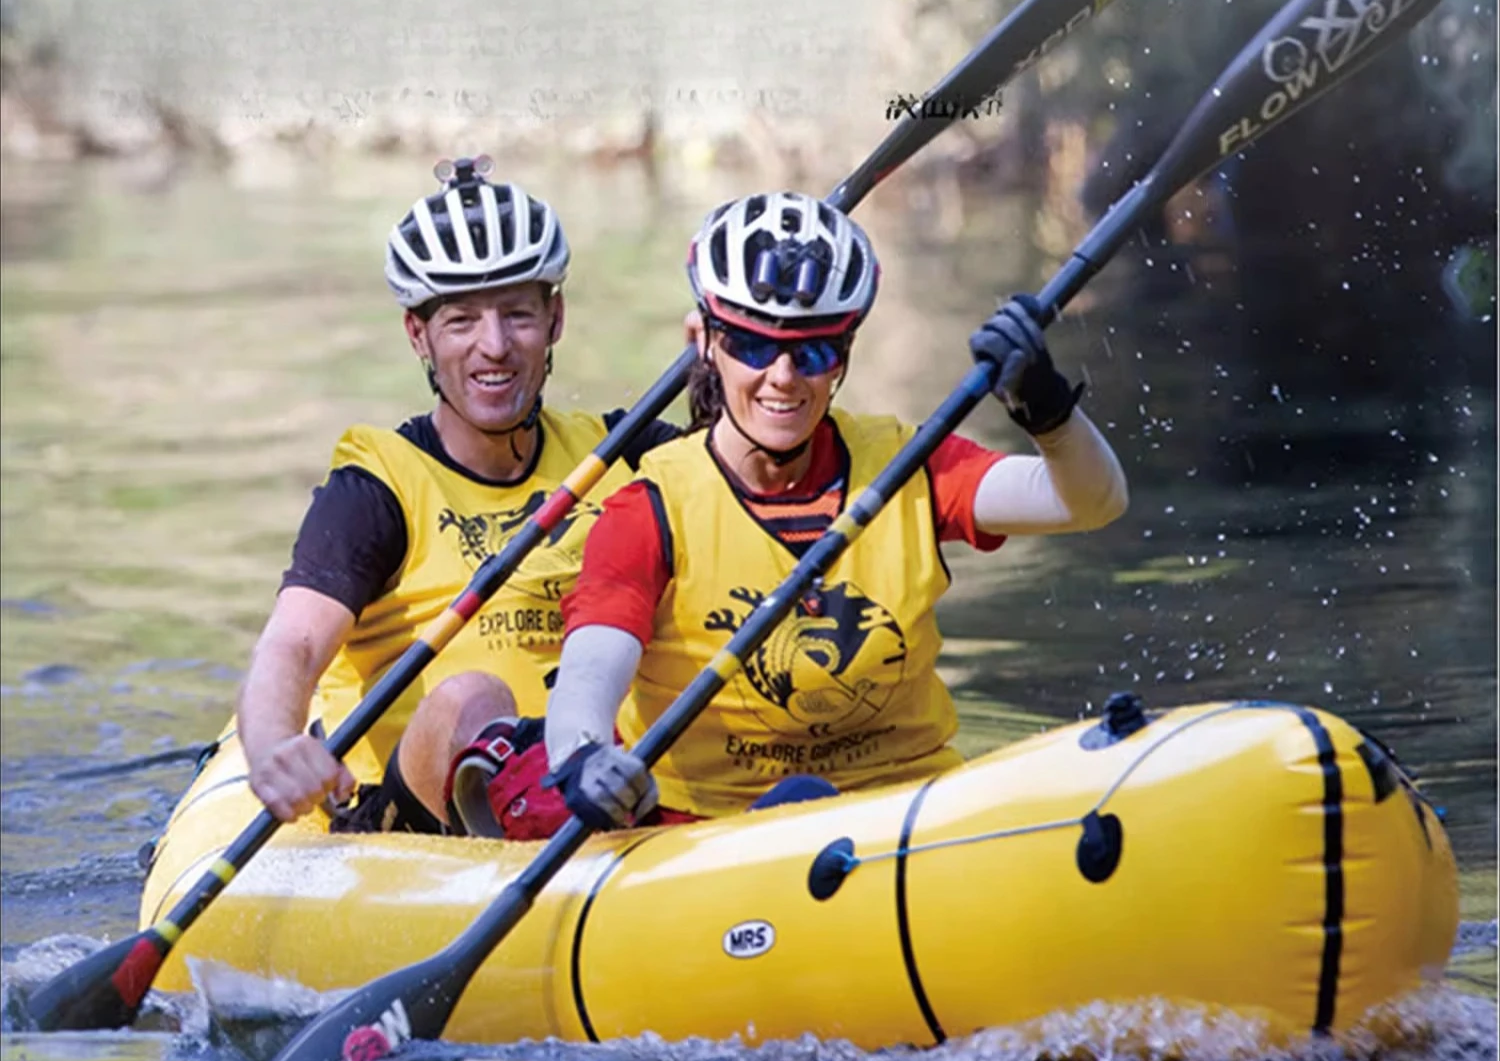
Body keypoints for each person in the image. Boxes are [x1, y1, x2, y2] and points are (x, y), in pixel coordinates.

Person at [539, 190, 1130, 831]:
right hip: (712, 836)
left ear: (843, 355)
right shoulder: (649, 509)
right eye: (753, 347)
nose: (785, 377)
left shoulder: (910, 464)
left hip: (910, 813)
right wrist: (584, 755)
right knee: (800, 804)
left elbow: (1092, 502)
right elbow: (586, 681)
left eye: (814, 352)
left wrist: (1046, 409)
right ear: (706, 342)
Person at [234, 155, 675, 838]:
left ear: (555, 320)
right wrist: (271, 747)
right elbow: (291, 644)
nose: (494, 346)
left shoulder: (625, 452)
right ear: (420, 335)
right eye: (462, 320)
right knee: (474, 694)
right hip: (420, 818)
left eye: (518, 316)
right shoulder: (377, 484)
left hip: (603, 778)